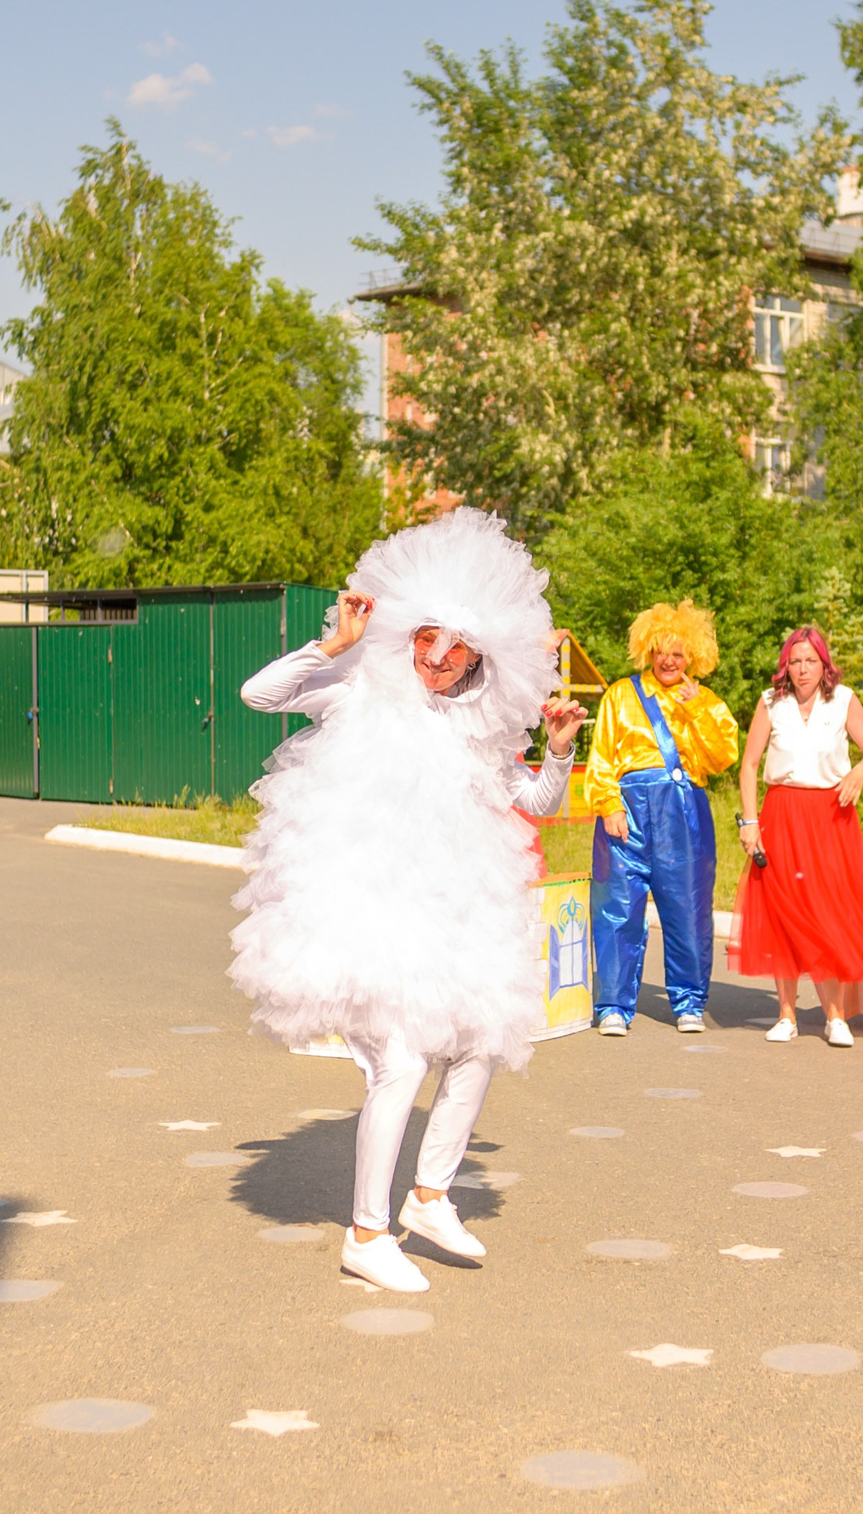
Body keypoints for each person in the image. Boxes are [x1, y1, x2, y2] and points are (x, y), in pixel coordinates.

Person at [229, 509, 588, 1294]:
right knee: (399, 1061)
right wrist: (333, 646)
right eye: (428, 638)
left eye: (455, 647)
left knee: (482, 1043)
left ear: (477, 661)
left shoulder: (478, 732)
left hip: (450, 913)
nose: (436, 656)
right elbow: (259, 694)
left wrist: (557, 752)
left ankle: (428, 1197)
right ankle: (366, 1230)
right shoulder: (361, 687)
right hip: (371, 908)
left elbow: (536, 797)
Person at [732, 628, 863, 1048]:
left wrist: (858, 773)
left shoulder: (843, 700)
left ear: (824, 664)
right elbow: (750, 764)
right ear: (785, 667)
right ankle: (787, 1015)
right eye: (795, 662)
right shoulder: (770, 702)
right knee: (783, 913)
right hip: (781, 816)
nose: (803, 669)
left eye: (811, 661)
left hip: (830, 818)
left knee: (830, 912)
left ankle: (835, 1017)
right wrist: (749, 821)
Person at [585, 602, 738, 1037]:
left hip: (684, 814)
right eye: (661, 651)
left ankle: (689, 1001)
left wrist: (696, 709)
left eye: (678, 653)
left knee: (687, 907)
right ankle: (613, 1004)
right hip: (627, 811)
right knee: (617, 906)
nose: (669, 661)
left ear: (694, 657)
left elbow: (722, 756)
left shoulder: (706, 701)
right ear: (647, 651)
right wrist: (608, 803)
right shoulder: (621, 694)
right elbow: (602, 756)